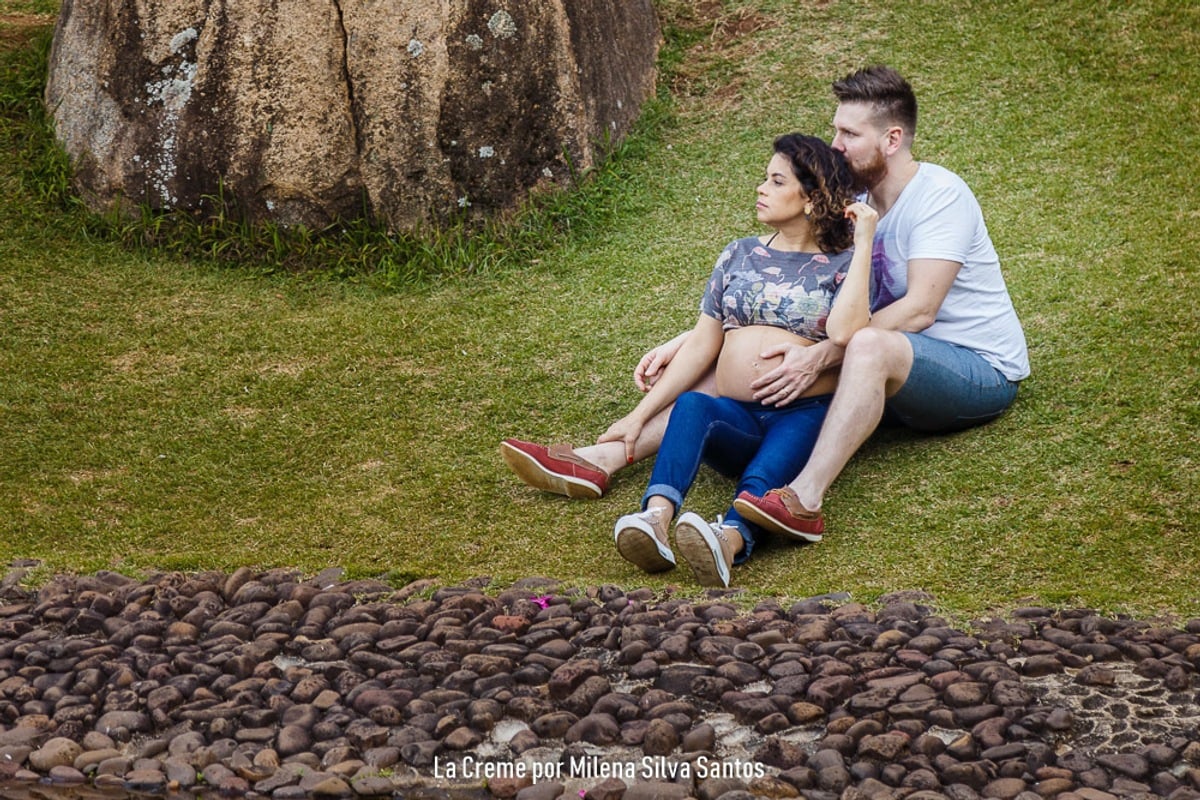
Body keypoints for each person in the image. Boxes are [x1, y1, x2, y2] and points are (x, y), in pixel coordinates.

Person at [508, 134, 877, 587]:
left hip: (803, 413)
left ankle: (728, 541)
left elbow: (845, 332)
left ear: (811, 199)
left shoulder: (842, 264)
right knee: (692, 405)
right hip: (736, 414)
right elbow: (703, 344)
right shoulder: (739, 253)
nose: (761, 188)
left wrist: (863, 244)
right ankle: (655, 519)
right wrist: (637, 416)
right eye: (765, 178)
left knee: (764, 480)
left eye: (776, 181)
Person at [728, 65, 1029, 540]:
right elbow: (792, 281)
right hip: (894, 367)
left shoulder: (940, 196)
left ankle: (805, 500)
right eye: (836, 130)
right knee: (757, 351)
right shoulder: (853, 199)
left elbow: (919, 310)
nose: (835, 145)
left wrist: (821, 356)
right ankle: (618, 451)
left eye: (849, 134)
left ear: (892, 139)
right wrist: (704, 338)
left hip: (978, 368)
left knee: (865, 345)